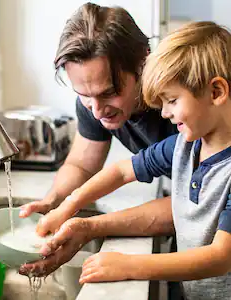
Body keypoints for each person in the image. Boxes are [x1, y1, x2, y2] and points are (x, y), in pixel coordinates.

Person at [23, 21, 231, 300]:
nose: (165, 113)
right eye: (85, 97)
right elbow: (121, 172)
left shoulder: (191, 134)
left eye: (171, 100)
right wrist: (65, 206)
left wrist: (130, 265)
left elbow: (220, 256)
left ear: (216, 92)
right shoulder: (186, 144)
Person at [19, 0, 176, 283]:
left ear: (144, 61)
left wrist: (89, 227)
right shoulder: (94, 100)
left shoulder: (184, 101)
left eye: (109, 93)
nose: (97, 109)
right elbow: (81, 164)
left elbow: (191, 204)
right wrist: (53, 203)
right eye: (83, 94)